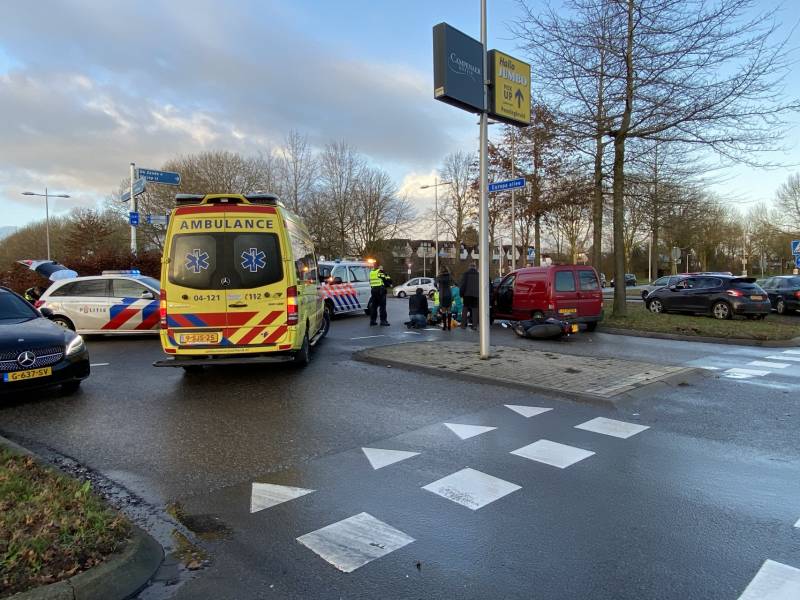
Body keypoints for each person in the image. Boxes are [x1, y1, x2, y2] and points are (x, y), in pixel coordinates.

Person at [459, 262, 479, 329]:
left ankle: (463, 325)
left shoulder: (466, 274)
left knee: (465, 308)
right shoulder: (478, 274)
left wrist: (461, 293)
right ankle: (475, 325)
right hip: (476, 294)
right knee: (475, 309)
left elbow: (463, 285)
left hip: (467, 294)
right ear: (475, 267)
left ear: (469, 267)